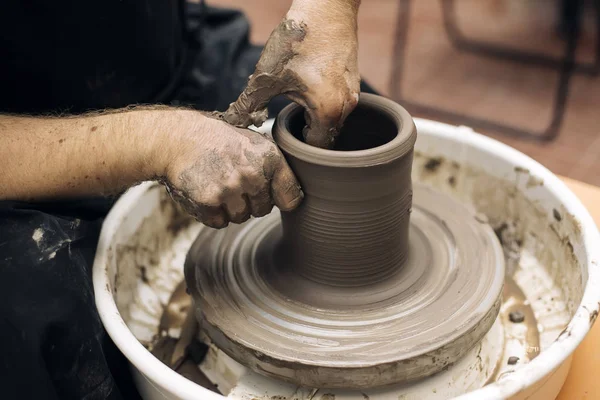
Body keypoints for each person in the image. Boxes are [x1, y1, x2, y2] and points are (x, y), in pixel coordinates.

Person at [0, 0, 374, 399]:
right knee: (37, 323)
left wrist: (331, 9)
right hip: (25, 156)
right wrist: (157, 140)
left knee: (348, 119)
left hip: (165, 61)